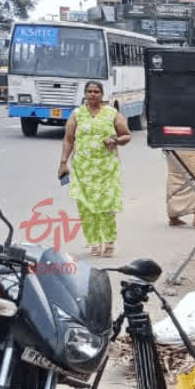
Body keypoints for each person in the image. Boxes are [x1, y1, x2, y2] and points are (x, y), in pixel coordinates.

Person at [57, 81, 131, 257]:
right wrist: (63, 162)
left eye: (96, 91)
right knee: (86, 207)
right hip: (83, 169)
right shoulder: (77, 114)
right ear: (85, 94)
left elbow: (126, 135)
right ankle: (94, 242)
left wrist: (115, 140)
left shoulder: (112, 113)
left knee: (106, 205)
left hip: (106, 169)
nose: (92, 94)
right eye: (89, 91)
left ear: (102, 94)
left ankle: (109, 241)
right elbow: (69, 139)